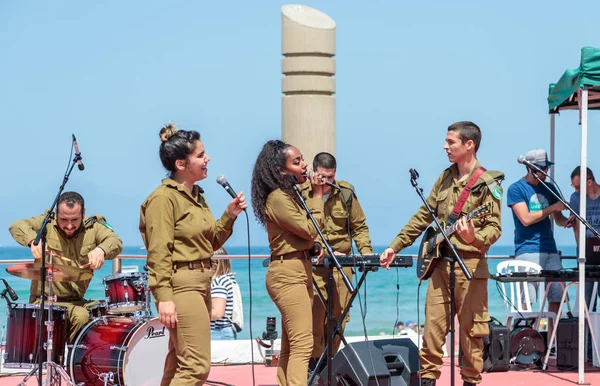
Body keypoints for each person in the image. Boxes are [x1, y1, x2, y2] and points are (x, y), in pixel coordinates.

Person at [380, 121, 503, 386]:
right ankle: (427, 381)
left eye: (451, 142)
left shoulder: (487, 183)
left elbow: (495, 228)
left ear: (469, 145)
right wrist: (395, 245)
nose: (445, 147)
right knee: (432, 334)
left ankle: (470, 381)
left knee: (472, 334)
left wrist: (475, 237)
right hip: (440, 265)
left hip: (470, 267)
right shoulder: (445, 177)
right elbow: (423, 216)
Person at [139, 122, 247, 385]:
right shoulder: (163, 199)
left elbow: (209, 245)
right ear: (181, 164)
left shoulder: (197, 196)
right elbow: (159, 252)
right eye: (200, 155)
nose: (207, 158)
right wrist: (163, 297)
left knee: (178, 363)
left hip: (202, 282)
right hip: (181, 286)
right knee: (196, 367)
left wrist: (228, 216)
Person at [251, 139, 326, 386]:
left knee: (290, 345)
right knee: (304, 344)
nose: (305, 165)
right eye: (297, 162)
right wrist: (317, 195)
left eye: (302, 160)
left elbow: (299, 235)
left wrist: (311, 247)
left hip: (299, 269)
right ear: (281, 170)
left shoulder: (290, 195)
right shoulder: (277, 198)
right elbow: (309, 228)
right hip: (287, 274)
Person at [9, 191, 123, 342]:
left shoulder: (93, 228)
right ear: (56, 214)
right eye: (64, 219)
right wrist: (33, 240)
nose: (69, 225)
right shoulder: (46, 223)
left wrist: (101, 250)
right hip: (44, 300)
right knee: (81, 316)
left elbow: (115, 241)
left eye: (75, 219)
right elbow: (17, 226)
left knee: (111, 313)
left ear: (83, 213)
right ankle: (62, 358)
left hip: (77, 300)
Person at [302, 152, 373, 370]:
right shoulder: (302, 194)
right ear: (314, 173)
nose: (327, 183)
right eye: (323, 177)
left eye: (331, 178)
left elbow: (359, 226)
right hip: (313, 267)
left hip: (342, 268)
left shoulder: (345, 193)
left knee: (338, 321)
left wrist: (366, 254)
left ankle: (327, 365)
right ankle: (312, 368)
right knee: (313, 321)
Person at [507, 148, 568, 339]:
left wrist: (568, 221)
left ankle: (553, 342)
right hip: (527, 249)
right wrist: (552, 208)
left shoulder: (549, 188)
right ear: (530, 168)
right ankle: (525, 343)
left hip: (550, 249)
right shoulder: (516, 189)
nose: (545, 172)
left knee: (558, 296)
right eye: (542, 168)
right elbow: (525, 218)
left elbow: (558, 218)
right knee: (527, 301)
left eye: (547, 168)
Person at [566, 166, 600, 360]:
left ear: (589, 182)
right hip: (586, 256)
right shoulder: (576, 199)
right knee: (586, 303)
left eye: (578, 187)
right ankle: (586, 350)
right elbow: (574, 227)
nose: (575, 191)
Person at [210, 247, 238, 340]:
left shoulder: (219, 282)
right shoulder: (229, 279)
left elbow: (217, 313)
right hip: (224, 330)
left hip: (217, 331)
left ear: (214, 265)